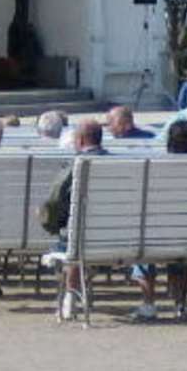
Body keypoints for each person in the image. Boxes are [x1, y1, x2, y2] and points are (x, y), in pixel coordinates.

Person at [132, 119, 187, 321]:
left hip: (156, 236)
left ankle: (149, 303)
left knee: (145, 241)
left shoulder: (157, 170)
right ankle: (181, 304)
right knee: (182, 240)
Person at [41, 118, 107, 320]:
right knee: (78, 232)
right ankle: (79, 288)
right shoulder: (118, 164)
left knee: (71, 238)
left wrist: (50, 225)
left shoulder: (75, 165)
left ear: (80, 140)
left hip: (79, 238)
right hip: (114, 237)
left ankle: (70, 297)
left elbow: (55, 201)